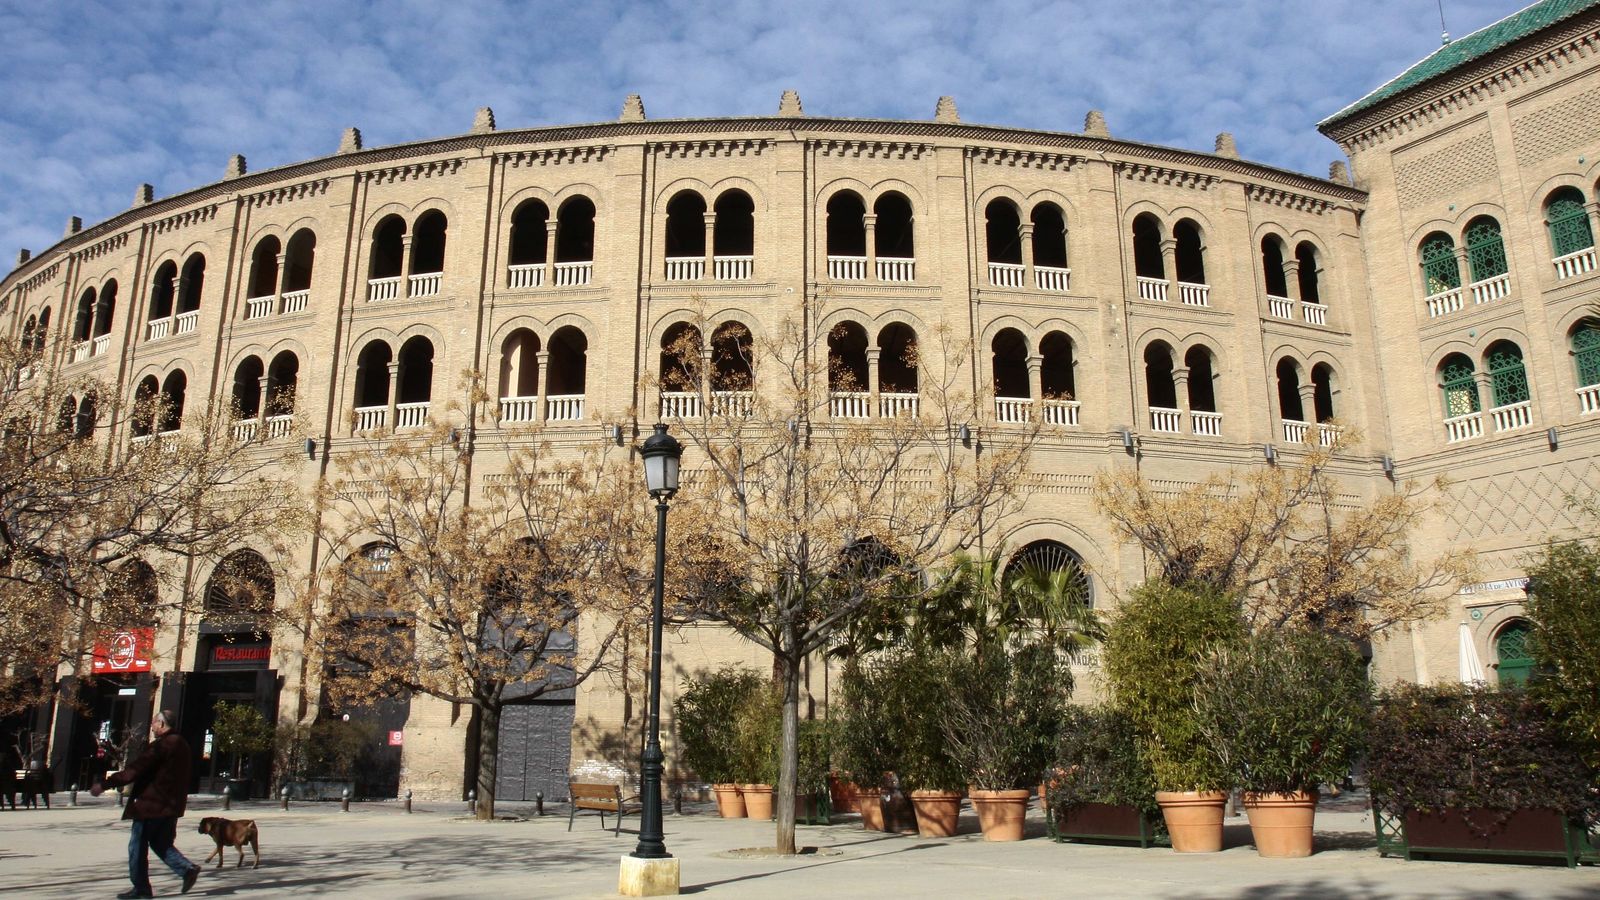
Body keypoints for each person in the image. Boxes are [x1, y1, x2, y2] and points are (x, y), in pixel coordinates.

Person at [92, 710, 200, 898]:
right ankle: (186, 869)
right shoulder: (183, 745)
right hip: (171, 806)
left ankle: (141, 888)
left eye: (153, 723)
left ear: (162, 724)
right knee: (161, 843)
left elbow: (134, 770)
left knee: (137, 847)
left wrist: (104, 784)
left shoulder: (162, 745)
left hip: (151, 806)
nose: (151, 727)